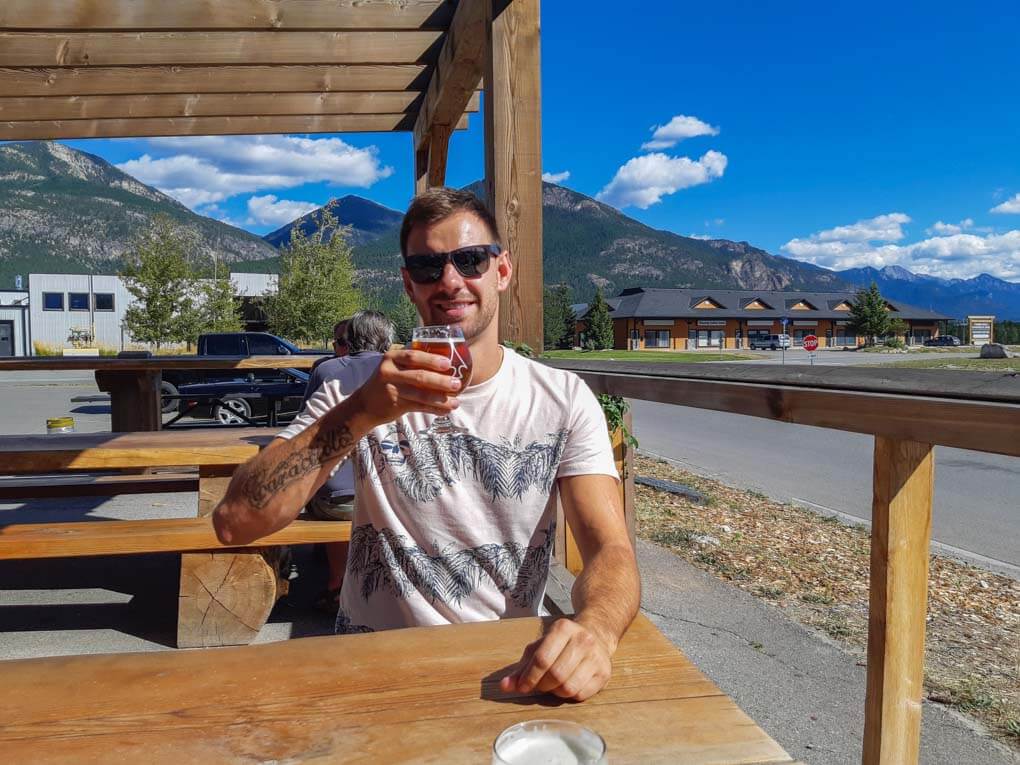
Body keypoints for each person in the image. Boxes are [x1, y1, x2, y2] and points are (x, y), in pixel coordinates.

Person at [213, 188, 640, 703]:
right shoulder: (354, 387)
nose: (450, 281)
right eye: (427, 266)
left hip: (505, 661)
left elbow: (611, 550)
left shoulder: (562, 398)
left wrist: (596, 628)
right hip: (370, 665)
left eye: (470, 259)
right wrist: (363, 411)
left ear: (501, 271)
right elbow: (236, 521)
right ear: (408, 284)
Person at [302, 310, 393, 610]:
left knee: (329, 495)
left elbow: (305, 427)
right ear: (386, 341)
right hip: (392, 495)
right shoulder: (398, 370)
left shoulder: (325, 370)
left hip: (338, 499)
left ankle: (337, 583)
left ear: (348, 339)